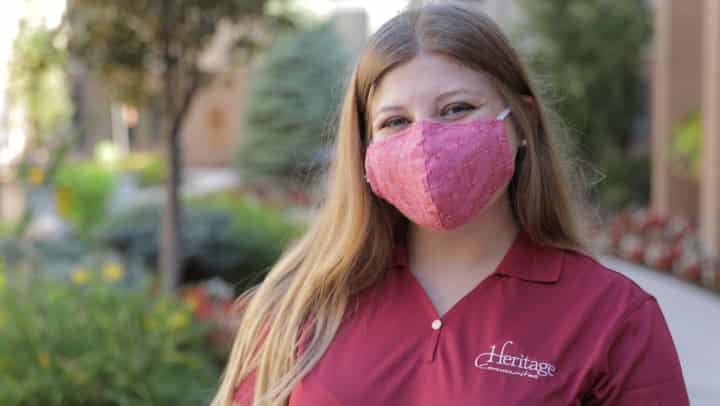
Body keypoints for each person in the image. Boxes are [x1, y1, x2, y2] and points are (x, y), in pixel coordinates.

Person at [211, 3, 690, 405]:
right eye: (395, 122)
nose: (425, 142)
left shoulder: (613, 317)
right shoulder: (299, 302)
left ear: (521, 119)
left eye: (457, 109)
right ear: (365, 148)